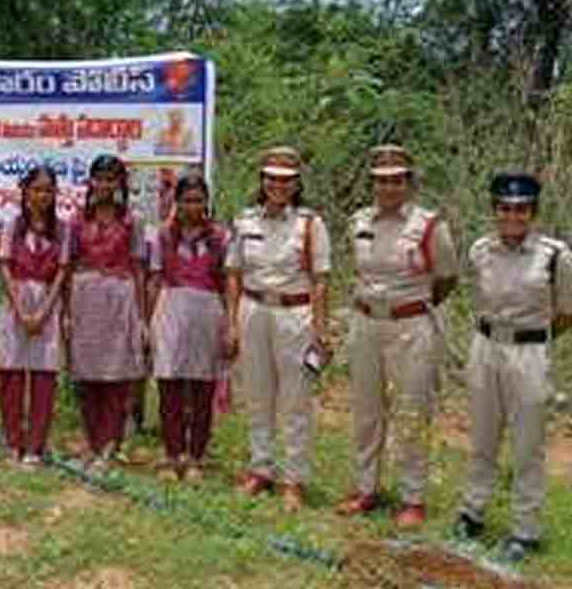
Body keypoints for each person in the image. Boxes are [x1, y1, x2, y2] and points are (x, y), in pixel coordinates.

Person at [336, 145, 458, 527]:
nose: (388, 187)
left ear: (409, 182)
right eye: (381, 180)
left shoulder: (429, 225)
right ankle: (365, 487)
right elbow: (356, 270)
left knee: (411, 410)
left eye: (396, 180)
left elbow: (446, 277)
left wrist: (412, 305)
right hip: (366, 323)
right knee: (367, 410)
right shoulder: (358, 221)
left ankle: (412, 496)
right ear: (371, 182)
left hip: (411, 326)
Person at [454, 172, 572, 563]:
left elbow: (566, 313)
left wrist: (533, 338)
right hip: (485, 346)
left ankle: (525, 529)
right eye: (505, 208)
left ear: (533, 212)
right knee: (483, 437)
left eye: (521, 210)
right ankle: (472, 512)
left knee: (527, 444)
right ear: (494, 210)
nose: (513, 216)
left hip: (529, 354)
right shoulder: (480, 250)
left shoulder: (555, 256)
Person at [225, 146, 330, 512]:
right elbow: (234, 274)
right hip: (253, 310)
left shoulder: (309, 224)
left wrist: (320, 328)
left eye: (285, 180)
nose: (278, 186)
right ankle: (260, 467)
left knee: (295, 400)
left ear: (296, 183)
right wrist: (231, 324)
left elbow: (320, 280)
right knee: (257, 394)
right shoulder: (245, 221)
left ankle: (293, 477)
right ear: (262, 180)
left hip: (294, 314)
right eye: (271, 178)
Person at [147, 173, 230, 483]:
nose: (192, 206)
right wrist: (148, 320)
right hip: (170, 308)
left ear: (206, 203)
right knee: (169, 384)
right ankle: (171, 455)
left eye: (198, 200)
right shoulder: (163, 237)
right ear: (176, 203)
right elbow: (154, 279)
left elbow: (227, 282)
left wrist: (230, 323)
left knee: (202, 386)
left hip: (207, 311)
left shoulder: (220, 238)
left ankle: (195, 457)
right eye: (186, 200)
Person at [69, 155, 147, 473]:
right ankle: (91, 441)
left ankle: (110, 445)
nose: (105, 185)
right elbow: (69, 264)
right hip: (85, 298)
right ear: (90, 182)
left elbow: (140, 269)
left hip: (120, 297)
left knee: (116, 374)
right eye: (99, 179)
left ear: (120, 184)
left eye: (111, 179)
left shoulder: (132, 221)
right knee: (86, 373)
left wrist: (142, 316)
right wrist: (65, 311)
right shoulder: (77, 220)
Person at [0, 166, 70, 467]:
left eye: (48, 191)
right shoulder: (13, 225)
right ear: (25, 192)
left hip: (47, 304)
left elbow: (62, 272)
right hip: (16, 300)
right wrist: (20, 309)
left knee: (43, 375)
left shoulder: (62, 230)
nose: (42, 196)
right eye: (36, 189)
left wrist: (43, 312)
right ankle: (13, 441)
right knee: (12, 373)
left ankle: (35, 446)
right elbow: (3, 266)